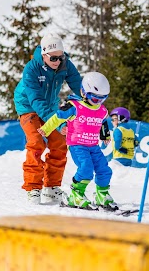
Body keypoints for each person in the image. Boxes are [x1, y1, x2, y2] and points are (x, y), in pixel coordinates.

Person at [14, 33, 82, 205]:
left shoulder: (64, 63)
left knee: (60, 142)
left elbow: (78, 84)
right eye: (53, 58)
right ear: (44, 54)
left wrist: (90, 100)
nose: (58, 61)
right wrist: (55, 123)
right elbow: (36, 99)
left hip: (51, 106)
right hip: (29, 106)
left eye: (61, 57)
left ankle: (51, 187)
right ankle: (33, 187)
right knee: (36, 142)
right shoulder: (31, 68)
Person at [37, 72, 116, 211]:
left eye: (102, 99)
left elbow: (102, 122)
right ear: (84, 92)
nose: (98, 102)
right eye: (95, 98)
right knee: (86, 168)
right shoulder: (74, 106)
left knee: (104, 169)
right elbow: (58, 117)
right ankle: (75, 194)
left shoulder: (102, 110)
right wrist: (46, 129)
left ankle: (101, 194)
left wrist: (105, 135)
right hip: (77, 145)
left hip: (93, 146)